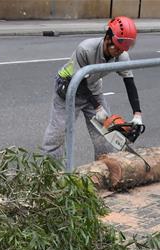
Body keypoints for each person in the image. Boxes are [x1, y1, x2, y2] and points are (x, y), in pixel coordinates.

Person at [42, 16, 143, 162]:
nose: (119, 53)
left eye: (122, 50)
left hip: (93, 91)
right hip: (68, 89)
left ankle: (103, 172)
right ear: (108, 38)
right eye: (117, 48)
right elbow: (78, 81)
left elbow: (129, 83)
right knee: (57, 135)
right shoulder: (86, 49)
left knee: (105, 135)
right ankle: (49, 173)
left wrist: (137, 113)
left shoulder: (122, 56)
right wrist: (97, 107)